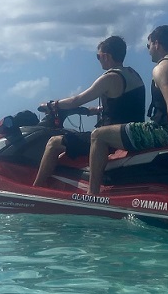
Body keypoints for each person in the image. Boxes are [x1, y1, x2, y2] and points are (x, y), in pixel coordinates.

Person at [86, 25, 168, 195]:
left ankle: (92, 194)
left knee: (98, 135)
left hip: (165, 133)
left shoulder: (162, 68)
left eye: (148, 46)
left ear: (157, 44)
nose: (148, 51)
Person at [33, 35, 145, 187]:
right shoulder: (134, 75)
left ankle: (37, 188)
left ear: (106, 56)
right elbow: (123, 105)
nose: (98, 60)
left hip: (110, 138)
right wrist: (96, 111)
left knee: (53, 143)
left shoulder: (110, 78)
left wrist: (54, 105)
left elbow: (76, 100)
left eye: (98, 56)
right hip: (130, 134)